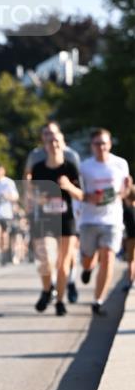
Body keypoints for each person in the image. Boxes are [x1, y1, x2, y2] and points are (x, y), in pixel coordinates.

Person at [25, 121, 82, 302]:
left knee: (68, 258)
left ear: (61, 137)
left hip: (69, 213)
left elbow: (80, 187)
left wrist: (69, 188)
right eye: (46, 135)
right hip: (45, 215)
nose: (51, 138)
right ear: (43, 138)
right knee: (46, 257)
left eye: (53, 134)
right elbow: (28, 180)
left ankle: (70, 284)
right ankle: (49, 288)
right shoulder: (35, 157)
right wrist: (31, 198)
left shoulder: (71, 156)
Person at [78, 128, 131, 315]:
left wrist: (121, 192)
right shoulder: (84, 167)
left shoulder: (120, 164)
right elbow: (78, 192)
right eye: (97, 143)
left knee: (108, 258)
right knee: (88, 258)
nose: (101, 147)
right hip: (89, 219)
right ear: (91, 146)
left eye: (104, 143)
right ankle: (87, 268)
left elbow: (125, 190)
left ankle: (98, 301)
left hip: (112, 219)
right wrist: (89, 197)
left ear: (110, 144)